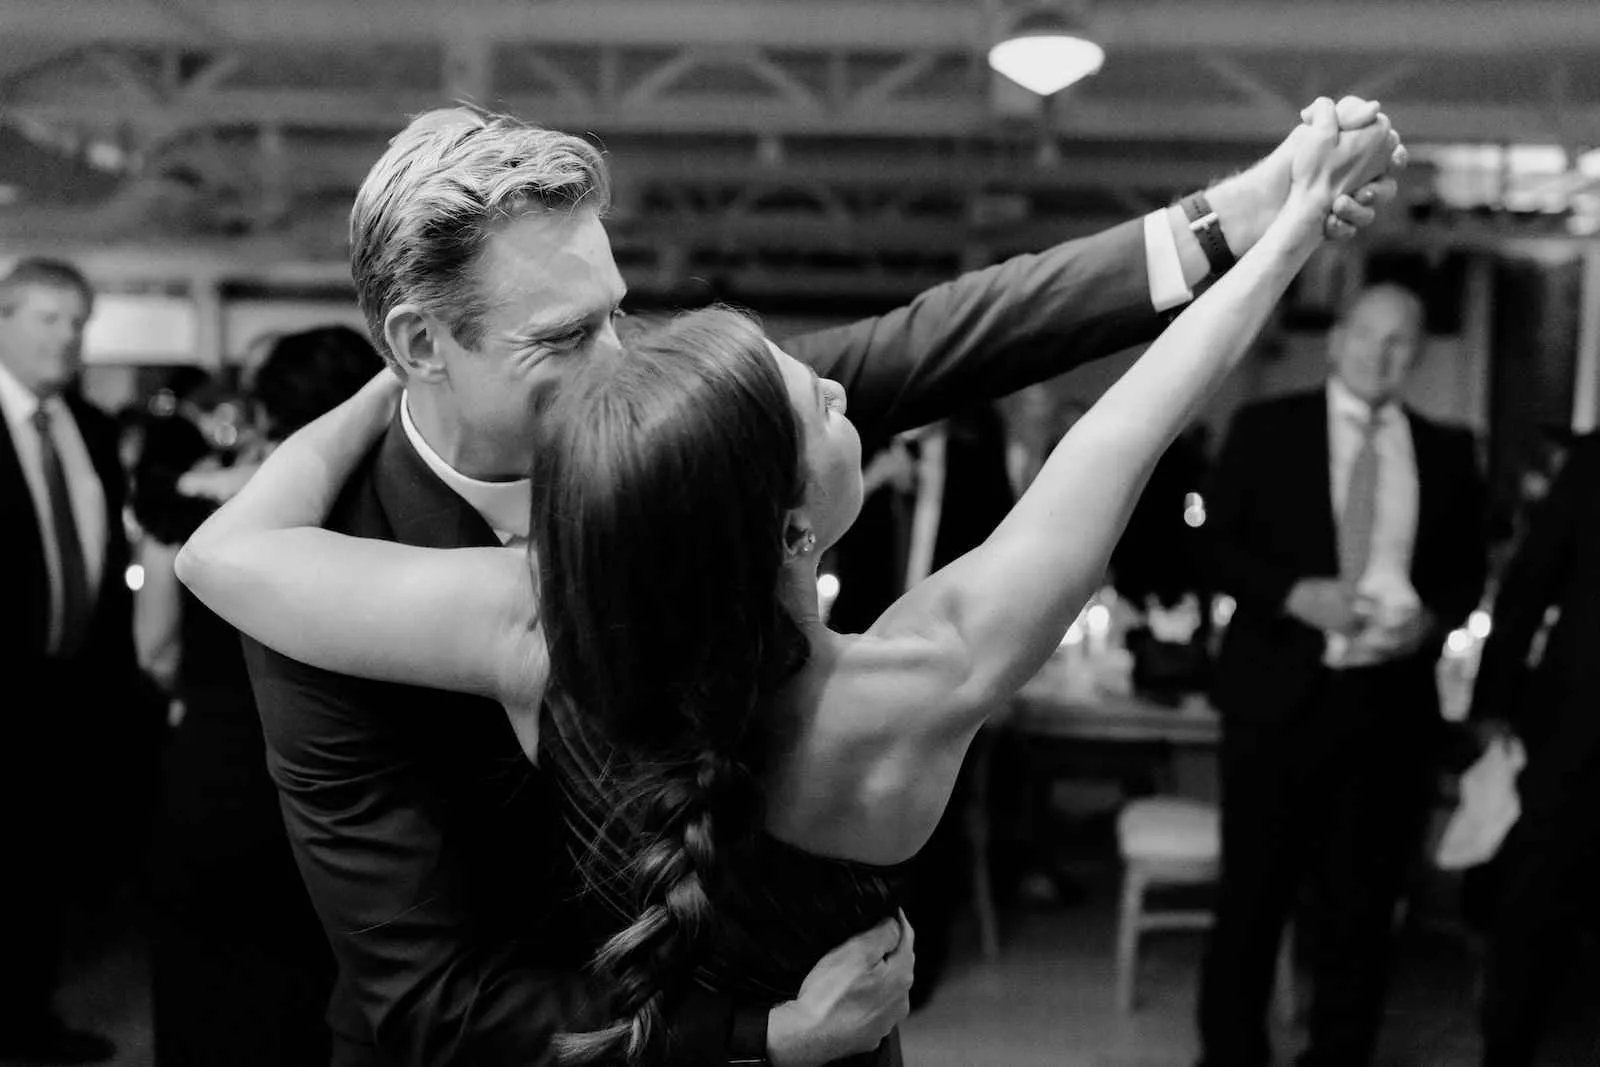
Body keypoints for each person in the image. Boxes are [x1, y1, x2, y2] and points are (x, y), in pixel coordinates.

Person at [178, 99, 1398, 1066]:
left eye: (618, 311)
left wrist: (1236, 216)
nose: (619, 361)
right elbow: (430, 1000)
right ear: (418, 340)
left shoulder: (522, 612)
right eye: (563, 337)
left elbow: (951, 333)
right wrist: (759, 1035)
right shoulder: (887, 648)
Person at [1196, 282, 1489, 1067]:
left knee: (1360, 916)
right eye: (1368, 334)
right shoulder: (1265, 429)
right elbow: (1214, 547)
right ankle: (1230, 1055)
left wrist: (1431, 621)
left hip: (1388, 712)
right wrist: (1295, 594)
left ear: (1417, 354)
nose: (1381, 352)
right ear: (1337, 340)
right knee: (1251, 905)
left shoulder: (1450, 448)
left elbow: (1467, 574)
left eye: (1401, 340)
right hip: (1274, 706)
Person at [138, 327, 383, 1067]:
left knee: (201, 988)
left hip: (211, 763)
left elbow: (154, 647)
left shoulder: (187, 501)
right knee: (317, 993)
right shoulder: (380, 509)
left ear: (266, 403)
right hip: (338, 782)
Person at [0, 258, 143, 1065]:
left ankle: (27, 1020)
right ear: (3, 318)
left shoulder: (87, 426)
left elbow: (103, 570)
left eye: (78, 322)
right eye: (49, 318)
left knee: (37, 873)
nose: (68, 337)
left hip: (67, 698)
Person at [1467, 432, 1600, 1066]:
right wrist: (1492, 703)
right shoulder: (1598, 459)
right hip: (1578, 728)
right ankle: (1506, 1050)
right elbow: (1529, 583)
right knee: (1533, 904)